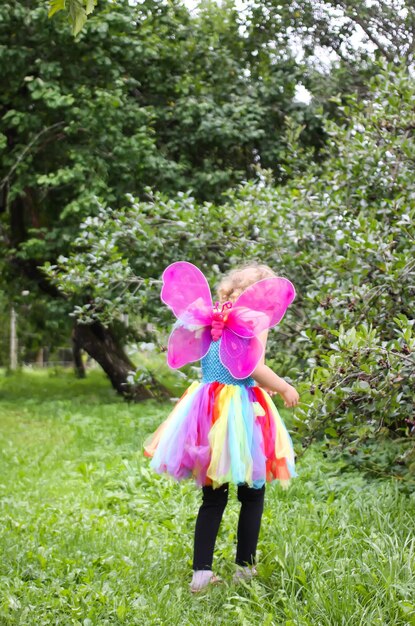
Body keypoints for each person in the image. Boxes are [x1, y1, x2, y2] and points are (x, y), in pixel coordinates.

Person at [144, 262, 299, 592]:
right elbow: (254, 366)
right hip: (239, 411)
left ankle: (201, 573)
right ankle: (244, 567)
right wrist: (283, 386)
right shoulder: (254, 319)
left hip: (207, 407)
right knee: (252, 494)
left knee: (212, 497)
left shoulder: (211, 315)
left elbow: (230, 362)